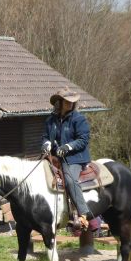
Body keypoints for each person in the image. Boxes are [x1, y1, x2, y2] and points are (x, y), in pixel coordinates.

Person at [41, 87, 93, 230]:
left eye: (72, 102)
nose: (70, 104)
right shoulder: (50, 120)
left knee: (70, 180)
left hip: (74, 158)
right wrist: (46, 143)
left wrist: (68, 147)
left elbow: (83, 139)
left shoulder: (79, 119)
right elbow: (46, 136)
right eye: (67, 102)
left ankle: (83, 213)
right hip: (54, 156)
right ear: (60, 102)